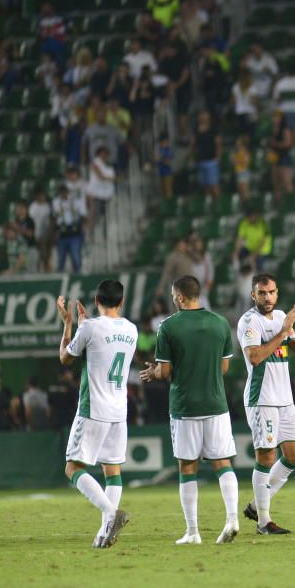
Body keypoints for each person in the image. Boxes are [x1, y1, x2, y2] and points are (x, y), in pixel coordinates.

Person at [139, 275, 240, 545]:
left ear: (181, 296)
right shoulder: (220, 323)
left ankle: (193, 532)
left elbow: (166, 370)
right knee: (222, 463)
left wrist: (154, 371)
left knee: (187, 467)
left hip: (185, 406)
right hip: (216, 404)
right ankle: (232, 519)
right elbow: (225, 367)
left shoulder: (168, 327)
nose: (173, 300)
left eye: (174, 296)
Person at [56, 279, 136, 549]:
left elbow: (65, 358)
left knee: (72, 467)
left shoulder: (89, 327)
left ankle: (111, 514)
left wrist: (68, 324)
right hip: (119, 410)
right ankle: (104, 534)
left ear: (97, 301)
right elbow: (106, 349)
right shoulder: (132, 329)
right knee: (112, 470)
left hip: (94, 409)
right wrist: (84, 328)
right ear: (122, 302)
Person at [237, 273, 295, 535]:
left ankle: (257, 505)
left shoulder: (281, 317)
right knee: (266, 457)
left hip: (285, 400)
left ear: (277, 293)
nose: (268, 297)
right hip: (261, 399)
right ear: (253, 295)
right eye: (262, 293)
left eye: (272, 292)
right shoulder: (249, 322)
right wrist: (282, 332)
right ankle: (264, 521)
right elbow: (255, 357)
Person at [272, 62, 295, 155]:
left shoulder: (281, 83)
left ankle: (289, 159)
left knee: (288, 138)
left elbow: (276, 99)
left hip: (285, 111)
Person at [52, 182, 87, 273]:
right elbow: (55, 214)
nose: (64, 194)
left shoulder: (75, 200)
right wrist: (62, 210)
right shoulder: (56, 202)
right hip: (63, 232)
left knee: (75, 257)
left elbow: (81, 213)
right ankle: (59, 278)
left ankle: (78, 275)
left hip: (74, 232)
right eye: (62, 192)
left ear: (68, 191)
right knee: (61, 260)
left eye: (65, 192)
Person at [193, 111, 221, 200]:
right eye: (202, 117)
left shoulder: (213, 129)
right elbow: (194, 144)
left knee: (213, 185)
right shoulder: (196, 129)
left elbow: (218, 144)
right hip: (200, 160)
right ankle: (208, 206)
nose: (204, 119)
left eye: (206, 117)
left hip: (211, 161)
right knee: (205, 186)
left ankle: (218, 205)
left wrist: (217, 158)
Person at [269, 109, 295, 204]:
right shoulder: (273, 129)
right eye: (274, 117)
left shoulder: (285, 129)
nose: (275, 119)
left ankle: (292, 203)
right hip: (275, 157)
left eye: (277, 117)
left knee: (287, 182)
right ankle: (279, 204)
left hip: (284, 157)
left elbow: (288, 144)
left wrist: (275, 144)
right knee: (276, 183)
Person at [233, 136, 252, 205]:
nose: (236, 144)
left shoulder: (245, 153)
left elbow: (245, 163)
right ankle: (243, 206)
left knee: (245, 190)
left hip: (243, 172)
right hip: (238, 172)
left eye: (238, 143)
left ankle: (248, 206)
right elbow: (234, 163)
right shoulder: (237, 153)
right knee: (240, 191)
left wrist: (237, 161)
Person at [157, 133, 174, 199]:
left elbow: (168, 162)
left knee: (168, 191)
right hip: (161, 173)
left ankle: (170, 204)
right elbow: (156, 160)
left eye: (165, 142)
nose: (163, 144)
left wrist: (161, 159)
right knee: (162, 192)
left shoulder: (168, 150)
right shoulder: (159, 150)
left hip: (167, 173)